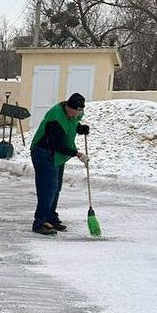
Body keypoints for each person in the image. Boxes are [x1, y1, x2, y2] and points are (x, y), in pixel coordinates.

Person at [30, 93, 90, 235]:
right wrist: (78, 154)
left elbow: (72, 124)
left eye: (79, 112)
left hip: (57, 155)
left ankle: (51, 217)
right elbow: (57, 144)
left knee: (56, 187)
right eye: (75, 111)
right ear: (69, 107)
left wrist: (80, 128)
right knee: (48, 188)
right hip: (44, 152)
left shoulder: (74, 113)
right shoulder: (55, 118)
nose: (77, 115)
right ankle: (40, 222)